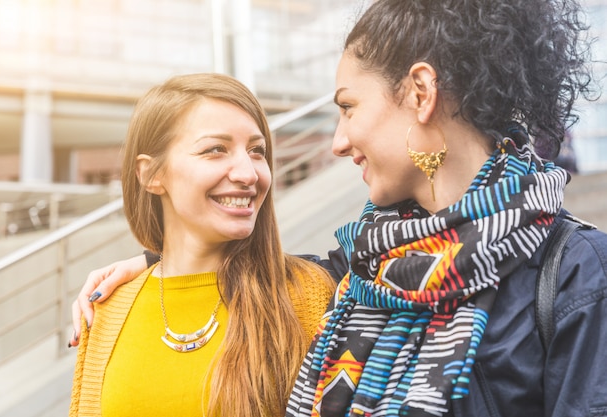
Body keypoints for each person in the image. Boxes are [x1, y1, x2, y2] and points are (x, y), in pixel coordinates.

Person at [73, 0, 607, 416]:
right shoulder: (369, 269)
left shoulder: (576, 274)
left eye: (348, 107)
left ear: (421, 92)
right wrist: (149, 265)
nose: (337, 141)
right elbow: (237, 269)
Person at [68, 73, 336, 417]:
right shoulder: (106, 308)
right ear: (151, 175)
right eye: (215, 149)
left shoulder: (311, 295)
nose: (248, 173)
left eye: (257, 151)